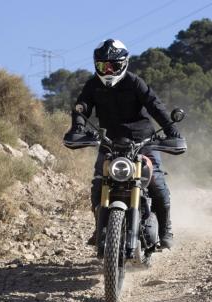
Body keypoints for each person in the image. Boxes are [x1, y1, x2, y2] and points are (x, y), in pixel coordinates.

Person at [67, 38, 181, 249]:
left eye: (113, 65)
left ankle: (166, 230)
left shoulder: (134, 82)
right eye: (103, 66)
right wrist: (77, 129)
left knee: (156, 183)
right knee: (99, 184)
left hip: (143, 141)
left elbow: (155, 106)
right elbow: (82, 107)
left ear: (124, 63)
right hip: (109, 142)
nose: (108, 70)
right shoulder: (93, 85)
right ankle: (101, 228)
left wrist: (171, 130)